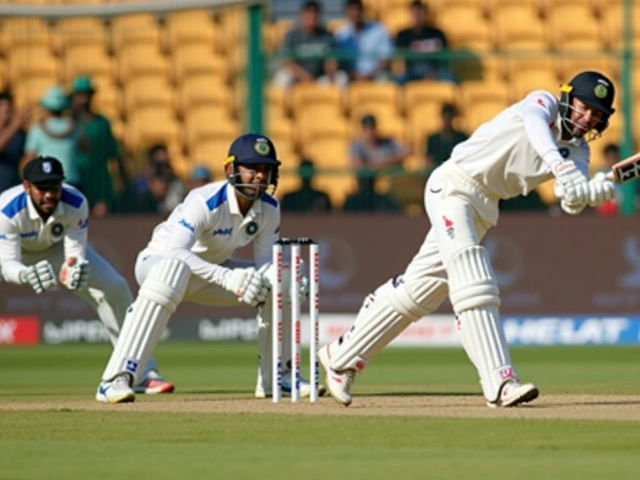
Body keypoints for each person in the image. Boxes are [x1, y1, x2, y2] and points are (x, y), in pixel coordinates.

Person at [317, 70, 618, 408]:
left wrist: (591, 191)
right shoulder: (542, 103)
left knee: (421, 290)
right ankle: (500, 382)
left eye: (596, 114)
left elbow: (570, 199)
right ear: (567, 97)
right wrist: (559, 167)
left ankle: (340, 357)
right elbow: (535, 127)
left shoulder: (578, 153)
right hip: (454, 185)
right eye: (583, 106)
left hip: (484, 208)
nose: (587, 117)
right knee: (474, 278)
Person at [95, 133, 326, 403]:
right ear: (231, 169)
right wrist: (227, 277)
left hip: (210, 273)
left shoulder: (270, 208)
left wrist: (289, 283)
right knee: (172, 271)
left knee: (281, 278)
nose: (260, 177)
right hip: (157, 264)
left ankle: (278, 377)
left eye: (266, 170)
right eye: (252, 169)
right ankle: (116, 379)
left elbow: (265, 264)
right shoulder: (204, 200)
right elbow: (175, 252)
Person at [0, 156, 174, 397]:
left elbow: (74, 254)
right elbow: (8, 264)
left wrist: (74, 269)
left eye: (55, 187)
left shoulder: (75, 201)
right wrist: (26, 275)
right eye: (43, 188)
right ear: (27, 187)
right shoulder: (8, 210)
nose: (50, 194)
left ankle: (141, 372)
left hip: (54, 250)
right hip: (11, 259)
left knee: (115, 287)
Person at [70, 76, 128, 218]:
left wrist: (124, 179)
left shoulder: (102, 123)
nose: (83, 99)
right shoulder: (69, 123)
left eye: (86, 95)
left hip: (99, 181)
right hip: (77, 181)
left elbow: (114, 153)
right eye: (80, 95)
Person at [273, 0, 348, 89]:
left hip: (320, 77)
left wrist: (330, 76)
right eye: (308, 13)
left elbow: (331, 61)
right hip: (298, 76)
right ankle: (284, 103)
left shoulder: (327, 36)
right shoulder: (292, 35)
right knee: (282, 78)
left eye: (315, 13)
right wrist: (305, 77)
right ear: (302, 15)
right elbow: (287, 62)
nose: (312, 17)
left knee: (342, 77)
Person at [23, 86, 84, 189]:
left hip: (46, 181)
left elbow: (30, 158)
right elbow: (85, 147)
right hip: (71, 181)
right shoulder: (75, 127)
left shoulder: (37, 130)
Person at [395, 0, 455, 85]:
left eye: (420, 13)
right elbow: (399, 61)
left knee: (450, 78)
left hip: (435, 71)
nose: (418, 17)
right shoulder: (403, 36)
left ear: (425, 14)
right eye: (415, 14)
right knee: (398, 81)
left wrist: (433, 73)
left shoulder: (437, 34)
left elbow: (445, 60)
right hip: (413, 73)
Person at [334, 0, 394, 82]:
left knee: (385, 78)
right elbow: (340, 62)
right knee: (339, 78)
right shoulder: (342, 34)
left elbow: (385, 59)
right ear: (347, 13)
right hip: (351, 76)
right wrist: (354, 75)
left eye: (357, 9)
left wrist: (371, 75)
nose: (355, 13)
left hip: (375, 74)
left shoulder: (378, 30)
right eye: (352, 10)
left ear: (363, 11)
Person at [0, 90, 29, 193]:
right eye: (2, 107)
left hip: (12, 188)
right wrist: (15, 124)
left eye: (8, 107)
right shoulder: (15, 128)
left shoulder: (20, 134)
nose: (6, 110)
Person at [425, 103, 468, 169]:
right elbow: (429, 161)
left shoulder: (462, 138)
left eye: (449, 116)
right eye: (445, 116)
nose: (447, 120)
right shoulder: (432, 139)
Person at [595, 143, 623, 216]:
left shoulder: (623, 173)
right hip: (605, 208)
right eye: (609, 158)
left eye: (613, 157)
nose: (611, 160)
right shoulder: (600, 174)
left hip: (621, 208)